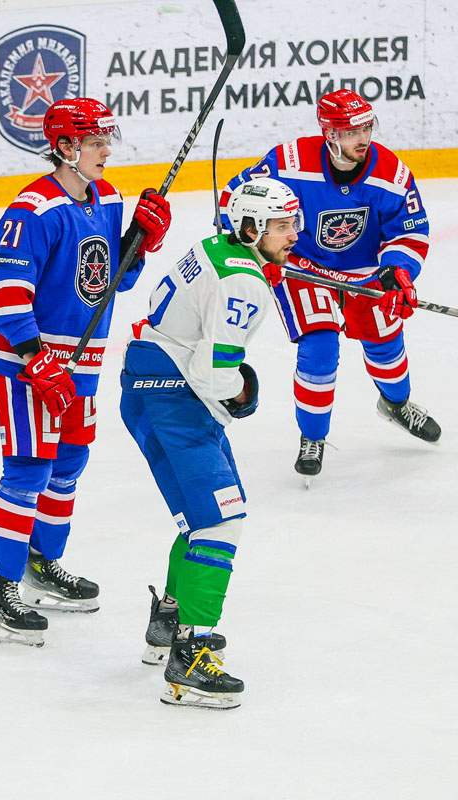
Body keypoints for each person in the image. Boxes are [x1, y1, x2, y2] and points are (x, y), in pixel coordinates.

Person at [0, 97, 172, 647]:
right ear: (64, 147)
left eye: (106, 141)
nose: (106, 152)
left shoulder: (107, 199)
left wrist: (139, 244)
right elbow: (4, 294)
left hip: (81, 364)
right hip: (27, 365)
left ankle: (41, 565)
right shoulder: (33, 210)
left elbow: (109, 281)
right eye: (94, 143)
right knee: (28, 470)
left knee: (68, 463)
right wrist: (35, 357)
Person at [120, 177, 302, 708]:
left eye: (293, 222)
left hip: (150, 381)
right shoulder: (243, 280)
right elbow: (214, 374)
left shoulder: (216, 248)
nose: (293, 234)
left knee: (204, 518)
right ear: (250, 228)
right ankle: (190, 655)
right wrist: (242, 396)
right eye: (281, 225)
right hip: (173, 394)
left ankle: (171, 619)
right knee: (221, 520)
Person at [220, 88, 438, 479]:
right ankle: (313, 436)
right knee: (319, 347)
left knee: (385, 344)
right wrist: (256, 253)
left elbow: (410, 231)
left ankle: (397, 404)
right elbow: (234, 201)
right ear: (330, 133)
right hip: (301, 267)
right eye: (351, 132)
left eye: (366, 128)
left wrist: (398, 271)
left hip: (365, 273)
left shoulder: (391, 174)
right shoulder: (288, 162)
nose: (363, 138)